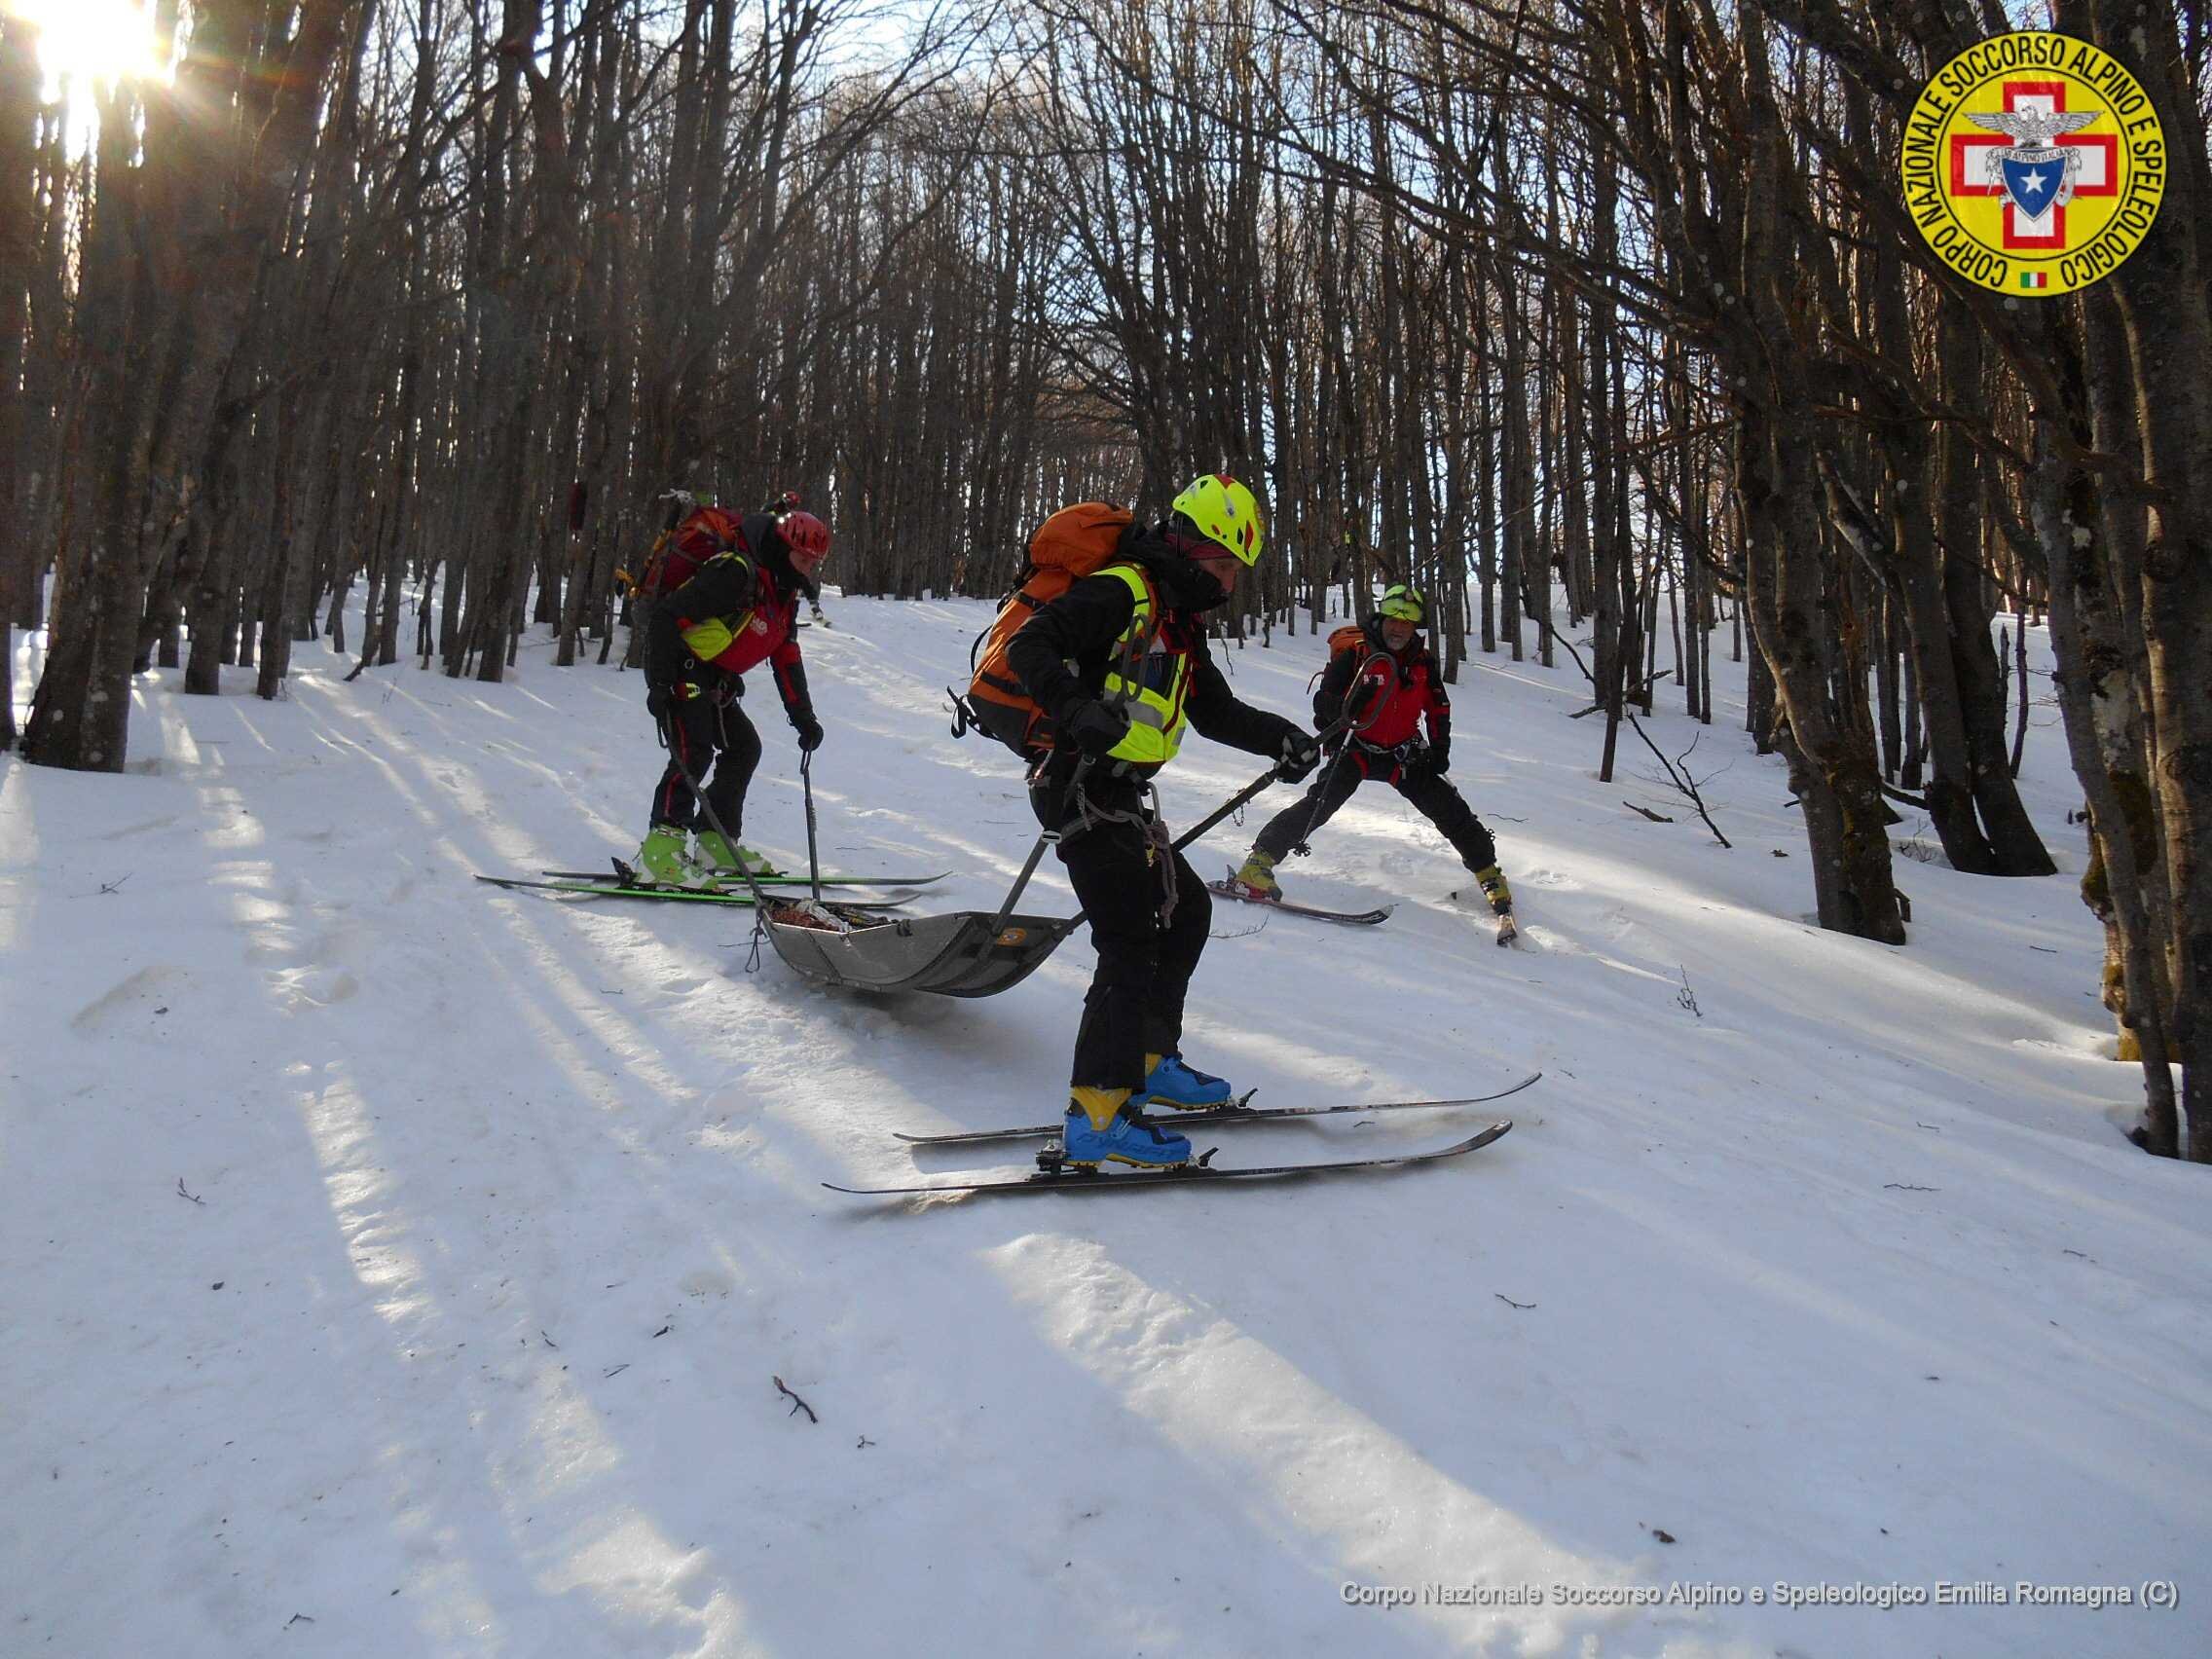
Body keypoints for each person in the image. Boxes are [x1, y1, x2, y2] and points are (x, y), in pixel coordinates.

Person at [1008, 472, 1321, 1170]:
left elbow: (1213, 710)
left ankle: (1148, 1059)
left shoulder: (1175, 618)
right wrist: (1079, 713)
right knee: (1128, 938)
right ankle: (1097, 1114)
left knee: (1186, 913)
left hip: (1120, 795)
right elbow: (1031, 646)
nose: (1230, 583)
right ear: (1189, 547)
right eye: (1224, 566)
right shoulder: (1123, 590)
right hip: (1078, 786)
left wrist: (1282, 738)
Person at [1229, 583, 1513, 922]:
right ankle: (1257, 866)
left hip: (1402, 752)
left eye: (1406, 622)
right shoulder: (1356, 655)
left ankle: (1488, 872)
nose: (1398, 627)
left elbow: (1438, 708)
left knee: (1450, 809)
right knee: (1319, 805)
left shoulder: (1422, 663)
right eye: (1393, 619)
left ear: (1415, 627)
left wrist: (1440, 749)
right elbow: (1323, 703)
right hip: (1356, 746)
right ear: (1382, 617)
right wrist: (1348, 706)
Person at [634, 502, 831, 886]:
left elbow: (786, 656)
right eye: (804, 558)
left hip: (715, 679)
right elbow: (666, 618)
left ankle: (714, 842)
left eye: (814, 561)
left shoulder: (782, 593)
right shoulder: (735, 573)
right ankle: (660, 849)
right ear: (784, 547)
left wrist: (803, 716)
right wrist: (659, 685)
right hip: (681, 668)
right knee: (694, 749)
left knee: (744, 748)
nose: (809, 567)